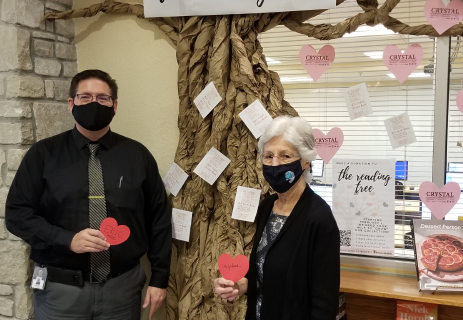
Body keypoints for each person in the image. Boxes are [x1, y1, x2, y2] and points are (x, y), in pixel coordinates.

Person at [5, 69, 172, 320]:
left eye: (102, 98)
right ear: (71, 103)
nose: (94, 103)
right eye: (85, 97)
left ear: (114, 106)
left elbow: (159, 218)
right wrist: (67, 239)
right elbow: (17, 215)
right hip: (59, 292)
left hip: (122, 290)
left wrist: (160, 278)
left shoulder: (138, 156)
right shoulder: (43, 155)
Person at [214, 115, 340, 320]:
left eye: (285, 156)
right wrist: (241, 285)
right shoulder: (267, 207)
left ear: (305, 160)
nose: (275, 164)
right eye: (268, 156)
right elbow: (267, 275)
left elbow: (325, 303)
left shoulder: (319, 219)